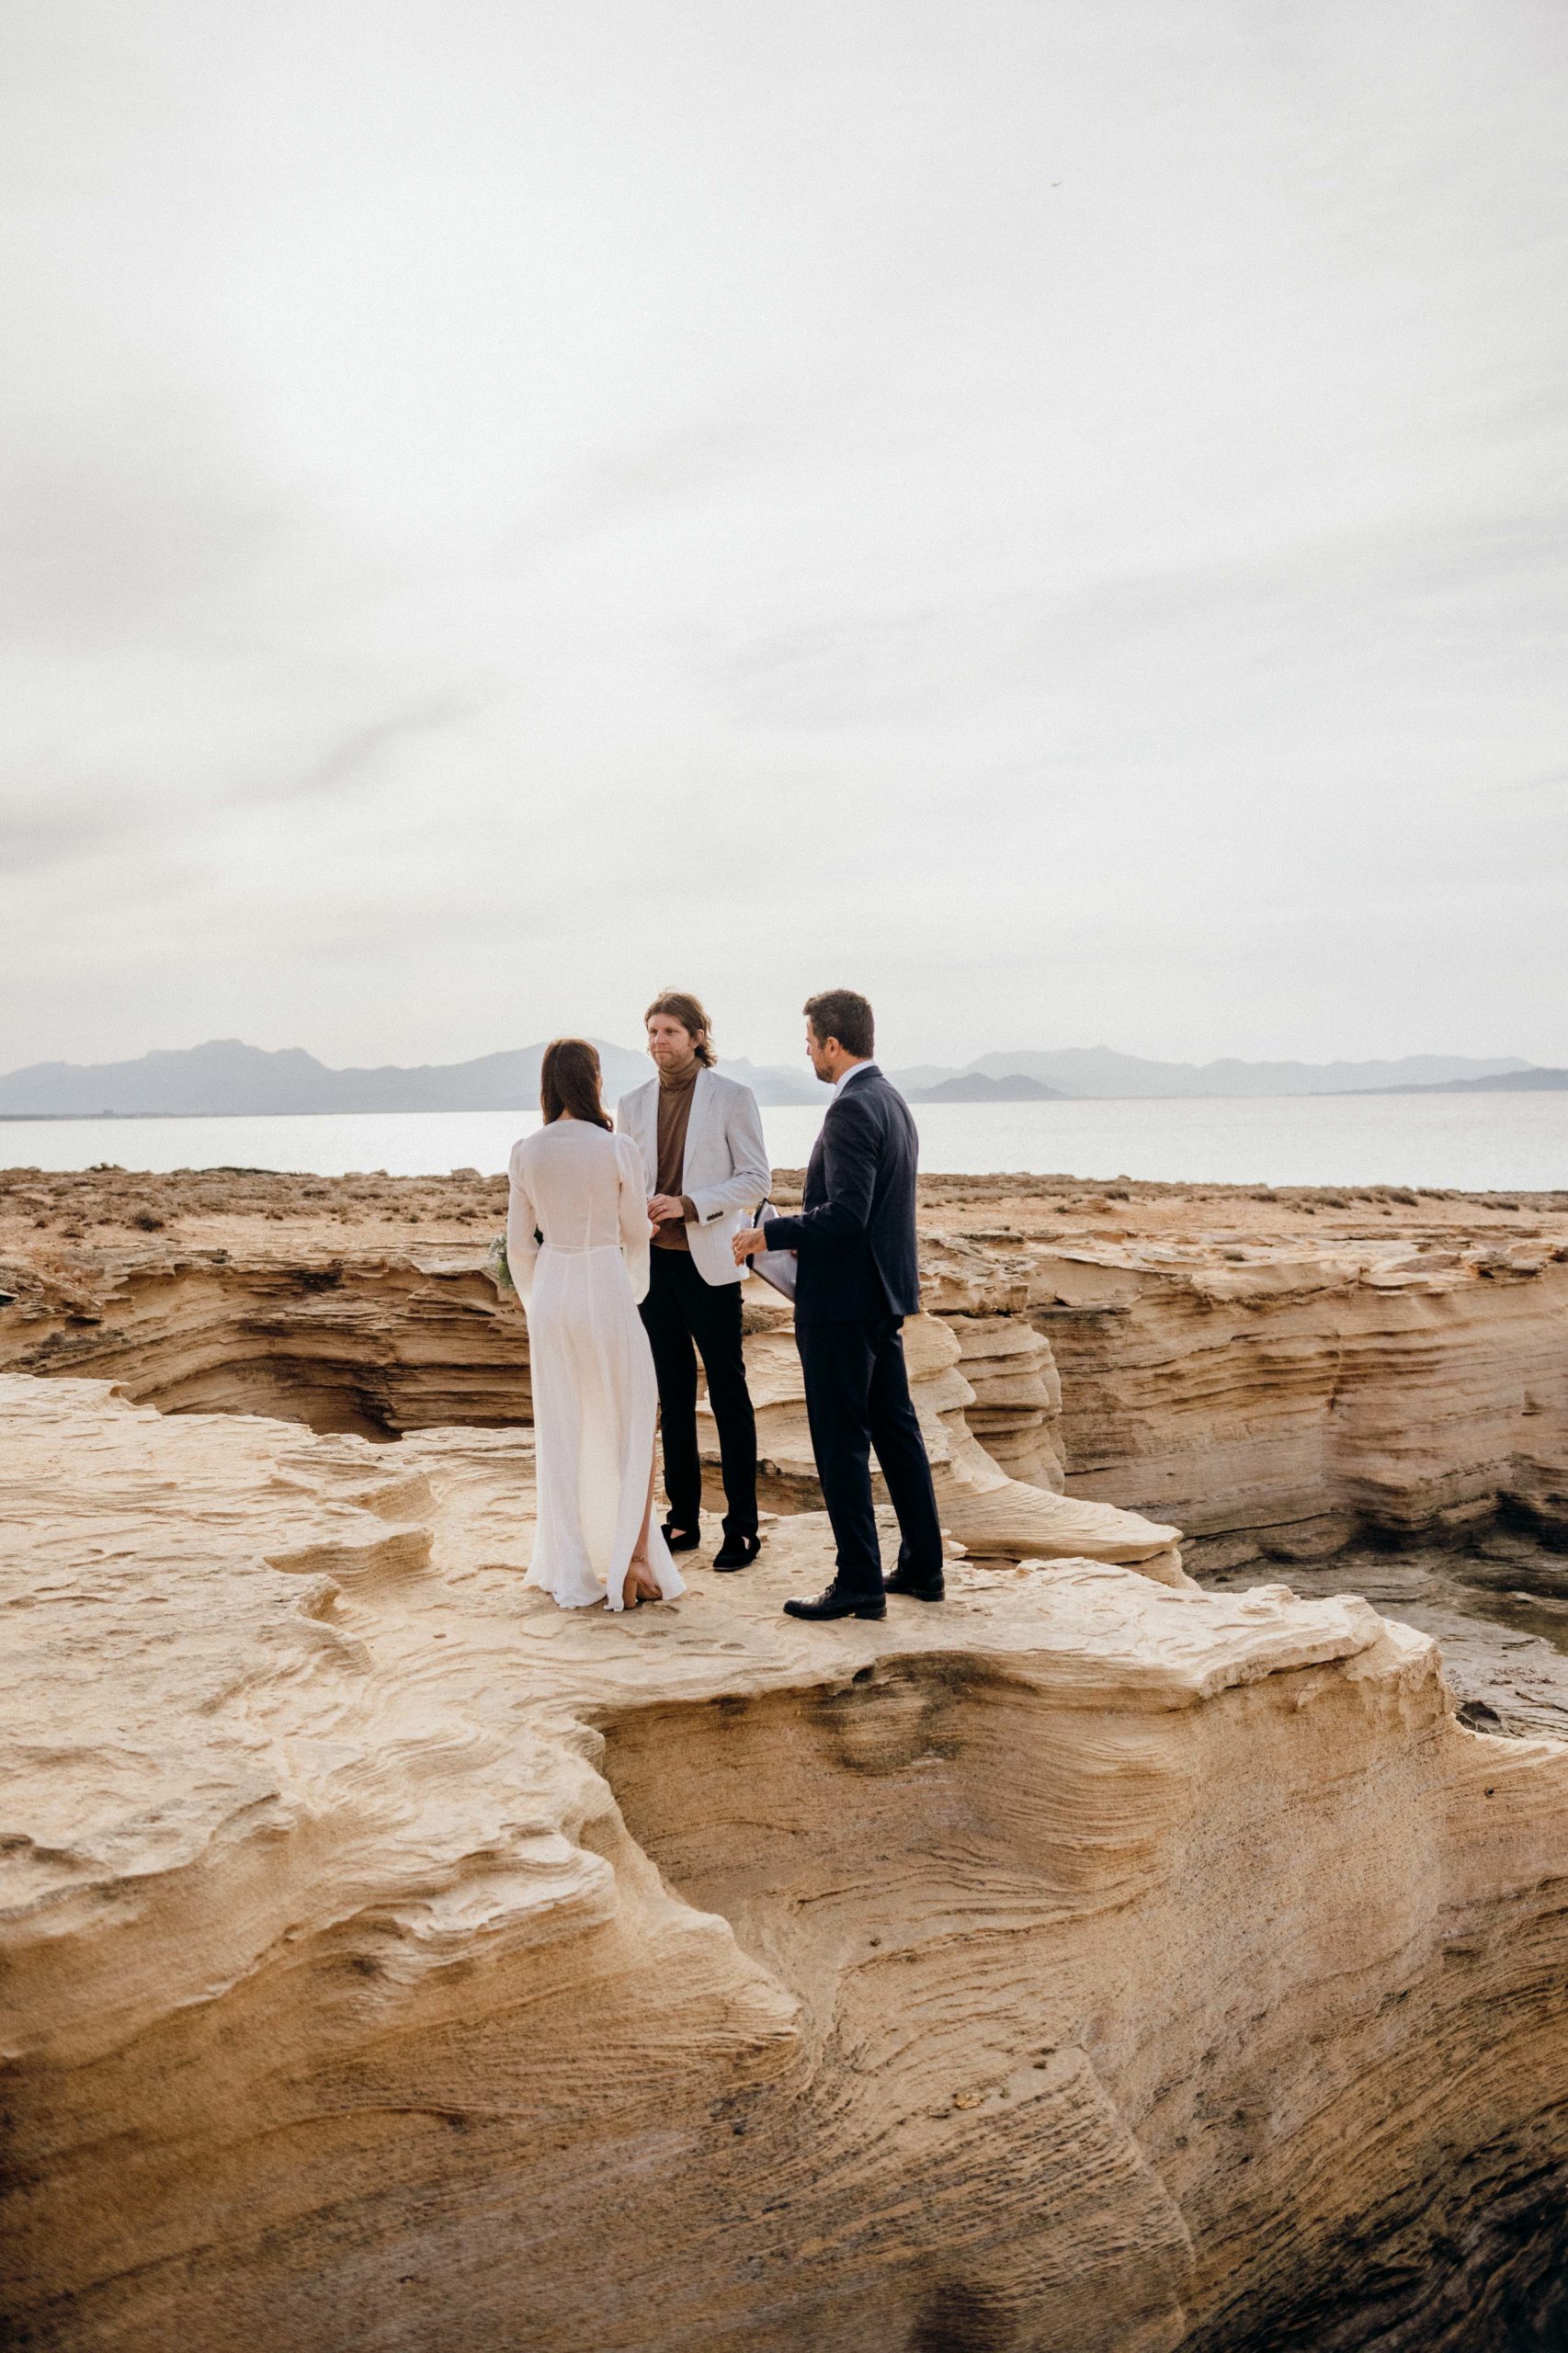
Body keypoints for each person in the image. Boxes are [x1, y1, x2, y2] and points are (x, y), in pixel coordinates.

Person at [733, 988, 944, 1620]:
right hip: (883, 1297)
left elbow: (849, 1214)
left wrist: (770, 1234)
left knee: (841, 1442)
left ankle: (859, 1581)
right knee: (897, 1434)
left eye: (809, 1040)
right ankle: (923, 1567)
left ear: (832, 1042)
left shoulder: (852, 1108)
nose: (805, 1050)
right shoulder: (893, 1101)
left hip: (843, 1304)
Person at [506, 1038, 685, 1613]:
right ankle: (632, 1562)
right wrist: (637, 1253)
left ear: (548, 1085)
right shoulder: (617, 1149)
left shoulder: (526, 1152)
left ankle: (571, 1564)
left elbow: (517, 1247)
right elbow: (637, 1233)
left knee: (564, 1425)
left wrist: (540, 1302)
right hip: (605, 1288)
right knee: (631, 1415)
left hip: (555, 1287)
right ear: (594, 1082)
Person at [617, 991, 769, 1570]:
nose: (659, 1041)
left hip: (711, 1265)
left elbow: (754, 1179)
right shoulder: (631, 1104)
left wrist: (689, 1203)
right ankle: (683, 1519)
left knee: (729, 1393)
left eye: (671, 1031)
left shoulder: (732, 1096)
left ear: (698, 1036)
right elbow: (626, 1182)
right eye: (652, 1031)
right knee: (672, 1397)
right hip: (653, 1267)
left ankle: (744, 1529)